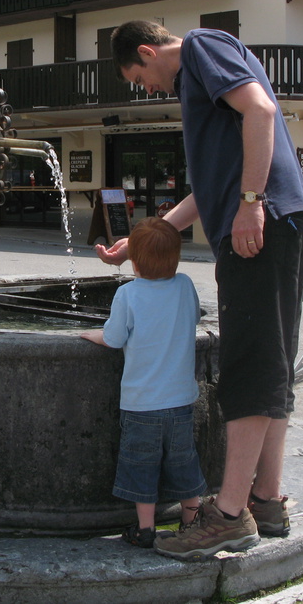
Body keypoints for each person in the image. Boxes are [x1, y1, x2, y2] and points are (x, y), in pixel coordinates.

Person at [96, 21, 303, 559]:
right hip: (277, 222)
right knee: (272, 363)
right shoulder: (200, 79)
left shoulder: (200, 49)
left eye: (139, 77)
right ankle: (265, 500)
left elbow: (260, 110)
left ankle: (230, 516)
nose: (146, 89)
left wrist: (250, 203)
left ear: (149, 51)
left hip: (262, 227)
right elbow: (206, 188)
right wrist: (148, 239)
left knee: (251, 368)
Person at [80, 217, 208, 548]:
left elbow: (113, 337)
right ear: (176, 257)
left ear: (133, 259)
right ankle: (191, 520)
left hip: (141, 403)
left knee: (141, 463)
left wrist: (87, 334)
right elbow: (194, 317)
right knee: (183, 460)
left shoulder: (128, 294)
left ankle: (146, 528)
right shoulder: (184, 286)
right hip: (180, 400)